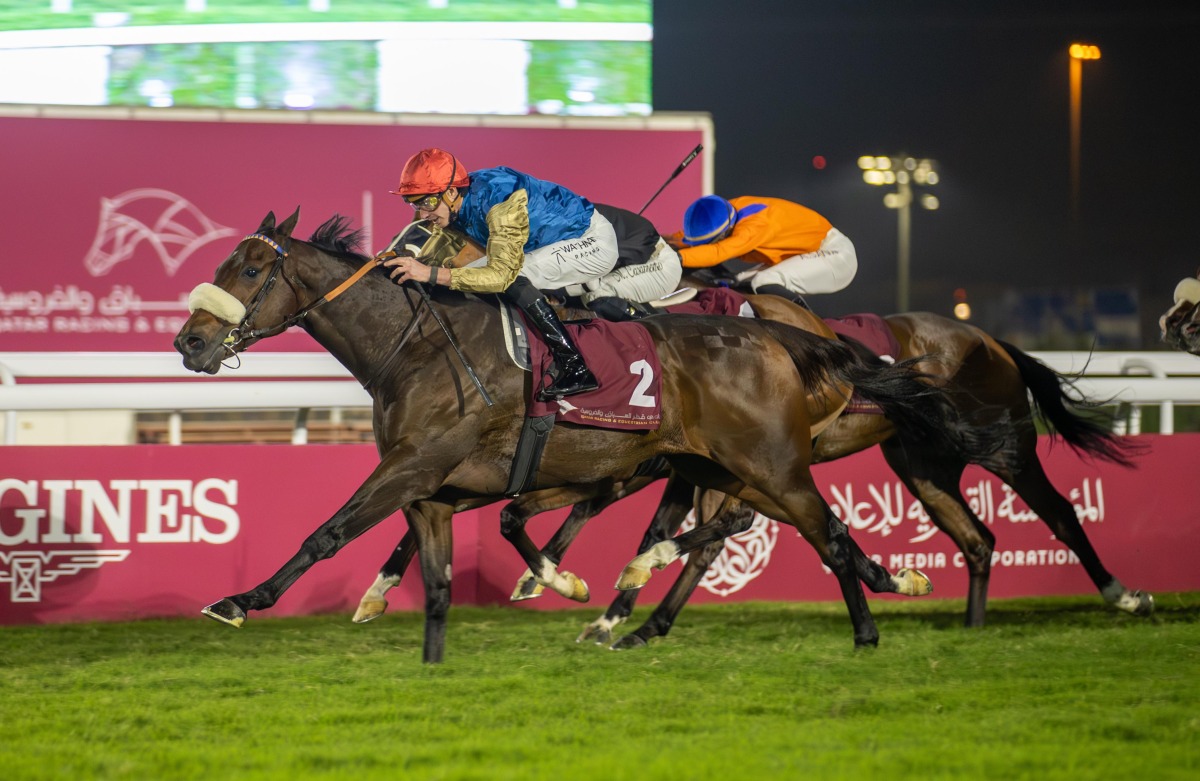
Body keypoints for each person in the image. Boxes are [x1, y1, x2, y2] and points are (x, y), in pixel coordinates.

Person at [380, 148, 621, 400]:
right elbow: (432, 254)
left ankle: (575, 366)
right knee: (461, 278)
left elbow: (500, 276)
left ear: (451, 192)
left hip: (591, 242)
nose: (423, 213)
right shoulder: (452, 203)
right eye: (414, 203)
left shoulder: (500, 202)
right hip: (547, 244)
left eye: (427, 202)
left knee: (511, 278)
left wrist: (429, 273)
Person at [670, 194, 858, 307]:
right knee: (736, 282)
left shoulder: (754, 227)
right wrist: (660, 243)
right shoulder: (724, 210)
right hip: (803, 252)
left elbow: (718, 252)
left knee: (764, 281)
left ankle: (806, 332)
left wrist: (672, 259)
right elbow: (687, 238)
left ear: (726, 232)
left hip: (836, 256)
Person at [565, 202, 683, 321]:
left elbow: (592, 280)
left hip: (661, 268)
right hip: (636, 259)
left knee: (595, 295)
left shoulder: (584, 222)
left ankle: (652, 326)